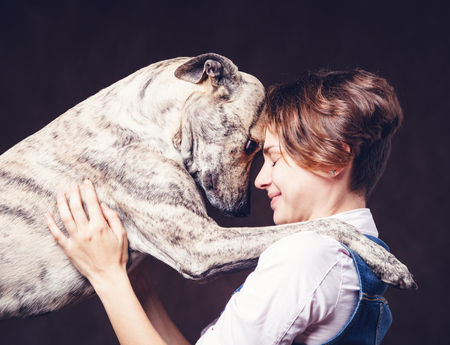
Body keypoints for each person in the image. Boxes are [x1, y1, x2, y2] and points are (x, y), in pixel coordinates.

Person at [45, 68, 403, 344]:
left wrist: (106, 276)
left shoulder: (309, 256)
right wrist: (133, 279)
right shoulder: (355, 254)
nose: (260, 180)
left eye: (274, 159)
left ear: (332, 158)